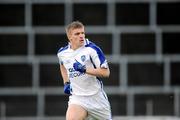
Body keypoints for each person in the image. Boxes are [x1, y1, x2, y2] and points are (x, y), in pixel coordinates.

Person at [57, 21, 112, 120]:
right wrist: (66, 82)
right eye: (77, 34)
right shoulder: (62, 53)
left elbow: (106, 72)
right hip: (77, 98)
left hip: (96, 98)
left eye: (82, 33)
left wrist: (84, 69)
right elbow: (62, 65)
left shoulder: (92, 49)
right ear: (70, 37)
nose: (81, 36)